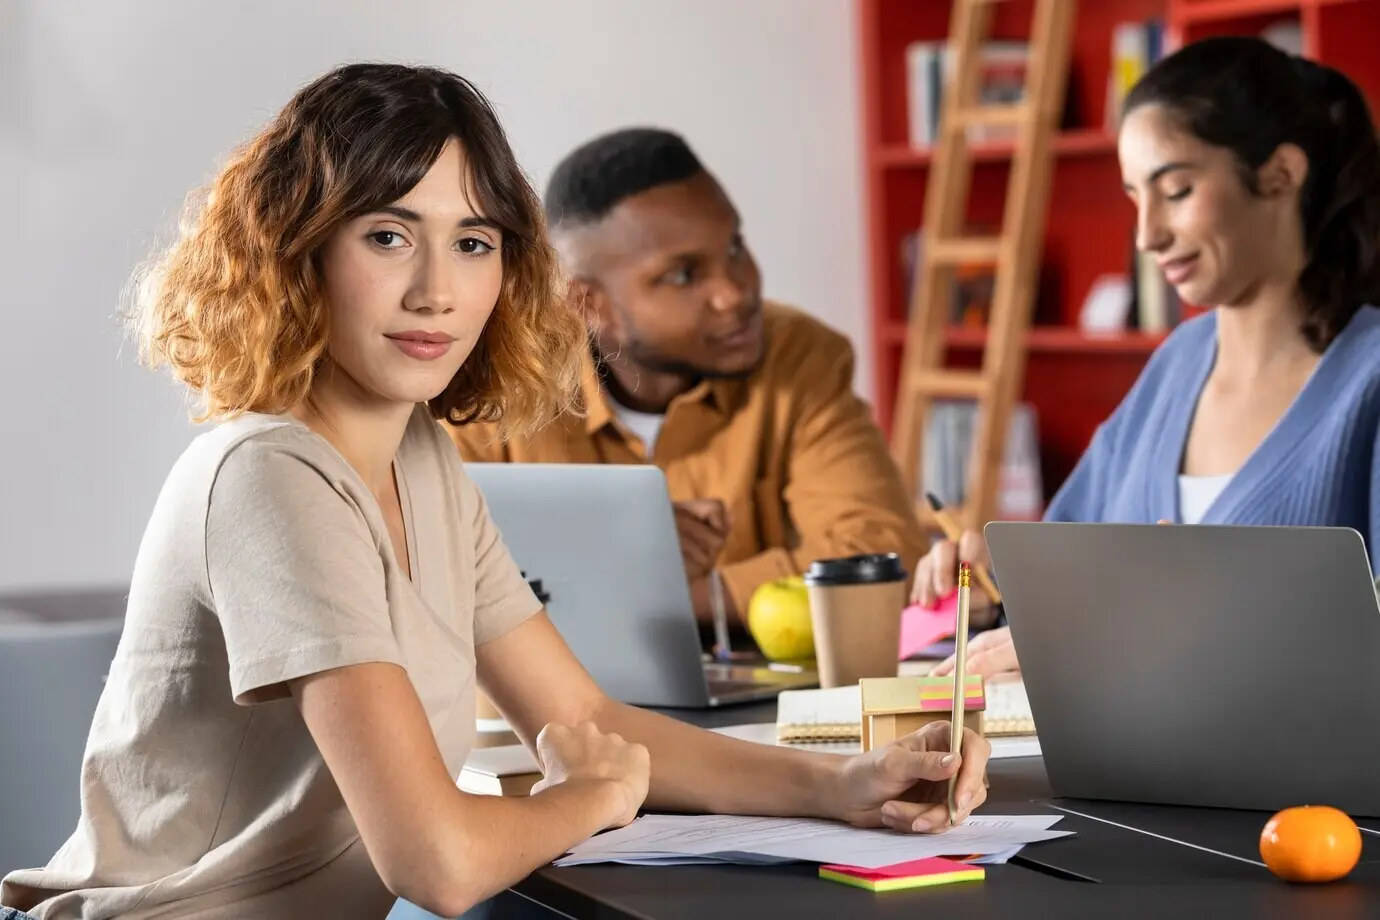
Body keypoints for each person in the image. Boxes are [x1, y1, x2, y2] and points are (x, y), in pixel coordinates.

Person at [0, 64, 989, 920]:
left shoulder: (423, 458)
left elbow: (587, 719)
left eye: (473, 242)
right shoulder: (271, 473)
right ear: (295, 248)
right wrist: (590, 798)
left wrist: (844, 783)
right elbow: (436, 861)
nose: (437, 288)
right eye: (389, 236)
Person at [917, 36, 1380, 679]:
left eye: (1178, 190)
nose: (1147, 236)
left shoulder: (1368, 379)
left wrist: (1145, 633)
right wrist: (991, 590)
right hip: (1125, 778)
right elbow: (1072, 593)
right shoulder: (1173, 368)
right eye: (1136, 197)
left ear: (1280, 173)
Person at [444, 127, 927, 634]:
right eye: (682, 275)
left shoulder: (800, 355)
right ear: (588, 303)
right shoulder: (496, 386)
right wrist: (622, 556)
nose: (734, 292)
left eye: (735, 246)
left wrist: (652, 592)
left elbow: (884, 555)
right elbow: (439, 582)